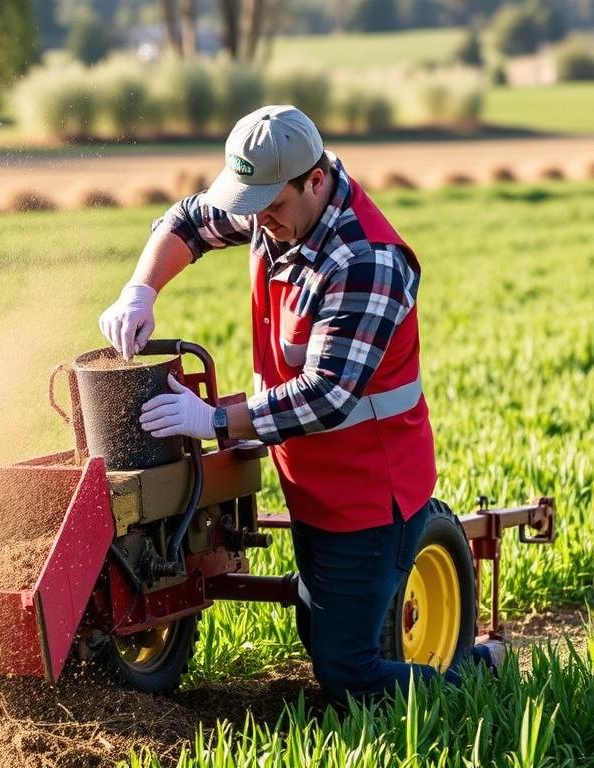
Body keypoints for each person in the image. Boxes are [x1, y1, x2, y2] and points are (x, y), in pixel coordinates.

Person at [98, 104, 503, 701]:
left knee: (348, 673)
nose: (258, 222)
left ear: (315, 180)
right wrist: (140, 289)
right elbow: (189, 222)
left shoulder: (365, 261)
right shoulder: (278, 205)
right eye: (250, 206)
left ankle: (480, 676)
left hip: (368, 494)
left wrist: (213, 420)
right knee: (324, 637)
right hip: (313, 480)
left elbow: (327, 396)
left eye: (271, 207)